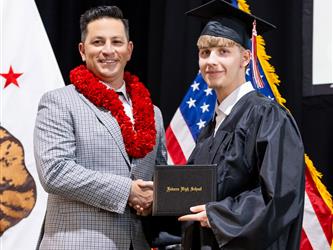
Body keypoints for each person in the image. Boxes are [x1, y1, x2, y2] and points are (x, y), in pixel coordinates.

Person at [34, 5, 167, 250]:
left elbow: (159, 176)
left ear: (129, 50)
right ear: (83, 51)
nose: (108, 50)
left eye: (116, 41)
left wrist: (156, 198)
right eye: (98, 42)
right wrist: (127, 190)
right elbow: (55, 171)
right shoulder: (59, 102)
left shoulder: (153, 113)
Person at [178, 0, 305, 249]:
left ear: (246, 58)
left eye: (223, 52)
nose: (211, 61)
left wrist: (219, 216)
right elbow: (195, 193)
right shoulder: (212, 128)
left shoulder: (267, 116)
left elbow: (279, 196)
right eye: (205, 53)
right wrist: (160, 195)